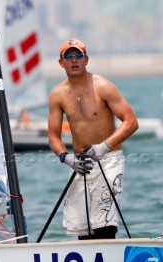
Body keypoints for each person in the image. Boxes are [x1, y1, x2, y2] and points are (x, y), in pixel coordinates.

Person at [48, 38, 138, 240]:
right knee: (84, 228)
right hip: (81, 164)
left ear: (86, 59)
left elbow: (131, 122)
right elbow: (53, 136)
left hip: (108, 159)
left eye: (78, 55)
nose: (74, 60)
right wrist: (66, 158)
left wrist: (104, 147)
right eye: (68, 56)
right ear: (61, 62)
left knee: (104, 223)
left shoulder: (103, 86)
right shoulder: (57, 94)